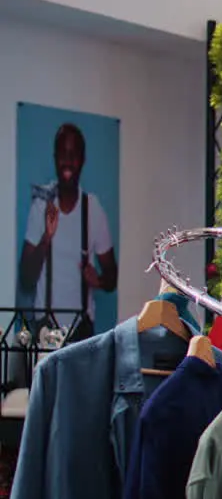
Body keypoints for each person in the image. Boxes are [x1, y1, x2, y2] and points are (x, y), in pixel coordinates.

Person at [17, 123, 117, 341]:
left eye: (73, 154)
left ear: (82, 159)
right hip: (45, 331)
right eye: (63, 153)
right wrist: (46, 238)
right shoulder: (41, 207)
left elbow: (112, 276)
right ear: (54, 158)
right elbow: (25, 278)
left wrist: (98, 280)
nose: (68, 161)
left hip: (81, 331)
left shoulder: (93, 209)